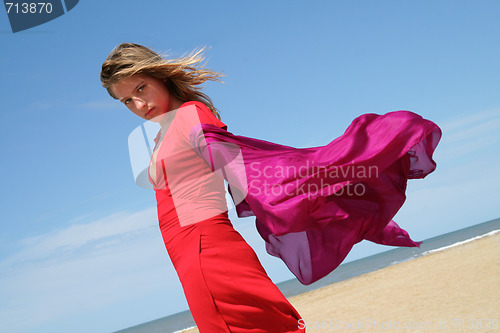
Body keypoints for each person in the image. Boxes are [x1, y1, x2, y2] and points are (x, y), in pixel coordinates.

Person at [100, 43, 441, 332]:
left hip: (207, 252)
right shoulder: (162, 132)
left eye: (141, 88)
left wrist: (305, 183)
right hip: (189, 258)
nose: (139, 106)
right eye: (127, 100)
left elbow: (228, 157)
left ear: (160, 76)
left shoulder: (191, 114)